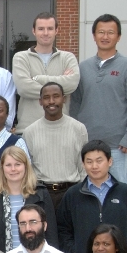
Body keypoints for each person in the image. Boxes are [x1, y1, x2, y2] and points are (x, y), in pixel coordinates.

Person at [70, 14, 127, 184]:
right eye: (101, 32)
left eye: (111, 32)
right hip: (87, 143)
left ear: (118, 37)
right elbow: (75, 103)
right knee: (87, 193)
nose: (105, 36)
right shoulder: (83, 67)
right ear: (94, 36)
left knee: (120, 193)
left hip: (117, 145)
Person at [57, 140, 127, 253]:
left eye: (99, 161)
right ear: (83, 164)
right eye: (89, 162)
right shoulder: (73, 194)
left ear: (110, 161)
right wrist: (75, 251)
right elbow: (62, 228)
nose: (94, 166)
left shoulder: (126, 192)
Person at [22, 82, 88, 210]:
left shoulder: (78, 128)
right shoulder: (29, 132)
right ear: (40, 101)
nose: (51, 101)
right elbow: (28, 168)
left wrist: (81, 192)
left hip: (72, 192)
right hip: (41, 193)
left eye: (56, 96)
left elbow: (83, 166)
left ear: (64, 99)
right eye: (46, 97)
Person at [12, 12, 80, 131]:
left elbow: (72, 84)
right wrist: (59, 86)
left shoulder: (68, 58)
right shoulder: (21, 57)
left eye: (50, 28)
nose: (45, 33)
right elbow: (23, 88)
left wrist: (38, 78)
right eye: (41, 29)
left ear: (56, 31)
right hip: (28, 129)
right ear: (34, 31)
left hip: (61, 128)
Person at [0, 146, 58, 253]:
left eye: (18, 164)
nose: (13, 169)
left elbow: (51, 232)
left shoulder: (41, 194)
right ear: (2, 168)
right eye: (8, 165)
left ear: (25, 166)